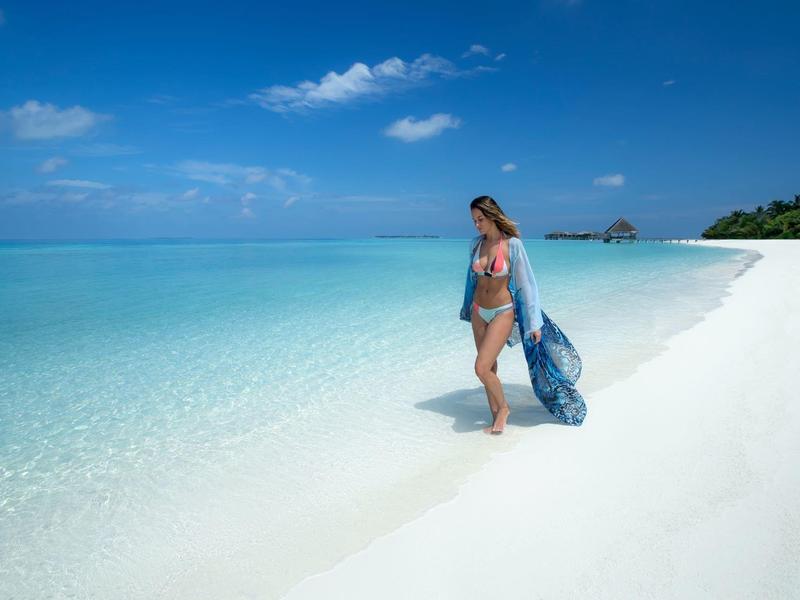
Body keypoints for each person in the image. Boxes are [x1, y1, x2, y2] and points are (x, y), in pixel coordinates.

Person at [460, 196, 587, 434]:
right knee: (490, 368)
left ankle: (505, 409)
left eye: (480, 219)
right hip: (479, 311)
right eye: (474, 220)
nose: (477, 224)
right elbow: (472, 280)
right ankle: (495, 415)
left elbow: (526, 285)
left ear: (492, 215)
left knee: (481, 368)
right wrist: (468, 308)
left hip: (502, 312)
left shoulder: (513, 245)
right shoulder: (475, 245)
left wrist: (533, 324)